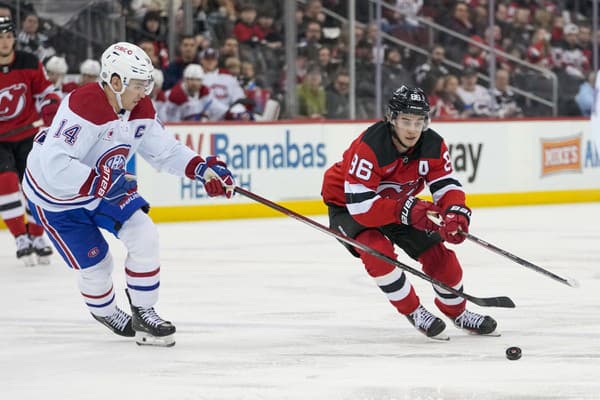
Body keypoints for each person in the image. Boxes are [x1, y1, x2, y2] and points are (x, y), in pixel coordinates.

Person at [22, 42, 236, 347]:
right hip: (56, 198)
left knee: (144, 234)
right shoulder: (84, 106)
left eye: (146, 84)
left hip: (102, 187)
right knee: (98, 267)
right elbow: (55, 166)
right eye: (138, 85)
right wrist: (102, 182)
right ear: (115, 81)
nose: (144, 91)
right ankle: (106, 311)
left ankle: (144, 310)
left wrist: (201, 169)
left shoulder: (141, 107)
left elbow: (165, 150)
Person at [321, 85, 497, 339]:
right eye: (406, 120)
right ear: (392, 118)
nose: (413, 129)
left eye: (418, 121)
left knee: (442, 259)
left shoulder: (433, 144)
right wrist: (409, 210)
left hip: (397, 205)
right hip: (348, 207)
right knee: (377, 252)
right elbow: (361, 207)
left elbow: (445, 184)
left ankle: (457, 312)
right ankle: (414, 311)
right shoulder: (370, 146)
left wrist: (455, 212)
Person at [0, 16, 59, 266]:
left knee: (37, 185)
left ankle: (37, 236)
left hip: (28, 135)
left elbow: (45, 92)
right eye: (0, 37)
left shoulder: (29, 62)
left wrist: (51, 104)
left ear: (15, 38)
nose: (4, 41)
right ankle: (20, 238)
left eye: (8, 36)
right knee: (6, 182)